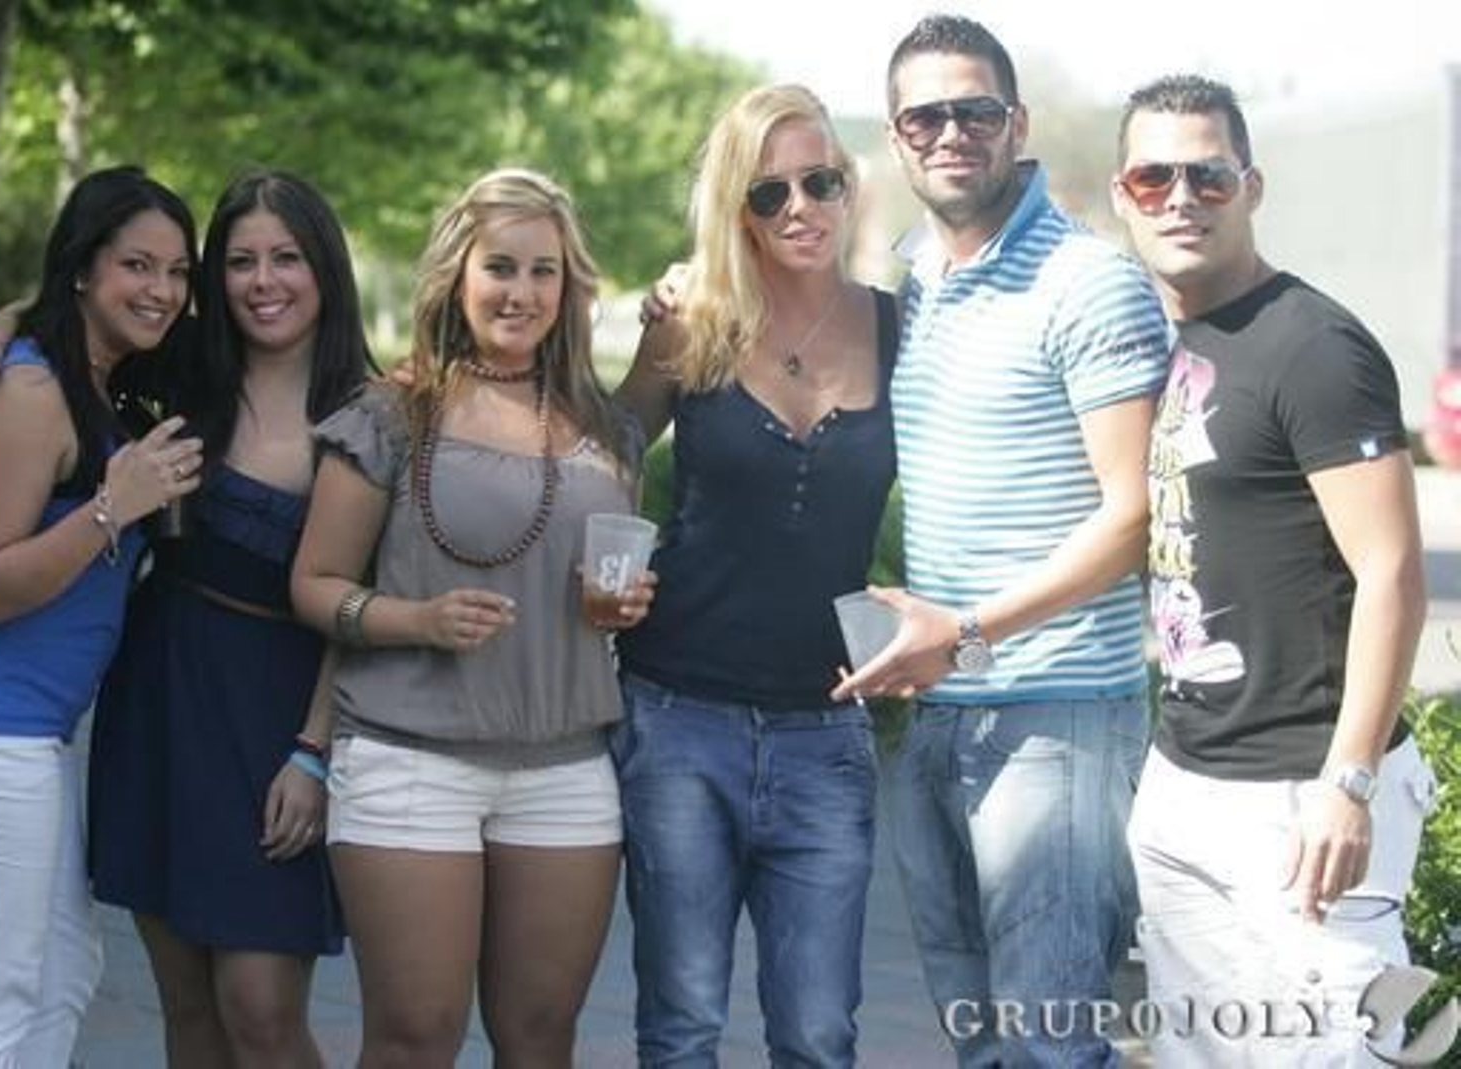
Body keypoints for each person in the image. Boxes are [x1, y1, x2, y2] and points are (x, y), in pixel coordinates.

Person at [831, 14, 1170, 1065]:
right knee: (982, 1042)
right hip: (943, 713)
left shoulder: (1089, 283)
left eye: (974, 109)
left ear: (1014, 121)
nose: (950, 131)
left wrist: (966, 626)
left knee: (1050, 1045)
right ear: (895, 135)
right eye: (923, 114)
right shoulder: (915, 287)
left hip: (1058, 718)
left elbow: (1134, 517)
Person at [290, 167, 650, 1068]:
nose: (521, 292)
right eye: (500, 267)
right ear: (458, 274)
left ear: (569, 288)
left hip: (567, 768)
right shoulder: (391, 412)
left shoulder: (603, 426)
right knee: (416, 1037)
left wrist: (630, 605)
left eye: (544, 272)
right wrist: (417, 619)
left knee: (539, 1039)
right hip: (412, 764)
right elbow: (314, 582)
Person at [1113, 74, 1434, 1065]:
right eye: (1152, 175)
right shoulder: (1181, 336)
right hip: (1183, 784)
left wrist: (1347, 781)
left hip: (1303, 797)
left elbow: (1391, 574)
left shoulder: (1315, 348)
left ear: (1250, 186)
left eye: (1205, 175)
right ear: (1123, 195)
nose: (1179, 196)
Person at [0, 165, 203, 1067]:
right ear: (84, 269)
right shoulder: (33, 393)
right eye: (138, 265)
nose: (162, 291)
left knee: (59, 970)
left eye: (177, 271)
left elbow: (52, 299)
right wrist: (111, 507)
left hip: (19, 730)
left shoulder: (94, 371)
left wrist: (6, 317)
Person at [612, 83, 898, 1066]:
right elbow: (601, 456)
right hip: (676, 719)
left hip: (826, 728)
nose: (798, 209)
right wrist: (598, 576)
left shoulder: (904, 334)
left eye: (817, 181)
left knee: (818, 1036)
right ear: (737, 209)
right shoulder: (692, 322)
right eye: (767, 193)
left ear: (847, 184)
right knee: (682, 1026)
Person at [88, 171, 374, 1067]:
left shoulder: (367, 411)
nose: (264, 281)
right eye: (242, 260)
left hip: (279, 712)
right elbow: (79, 312)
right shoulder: (181, 369)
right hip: (161, 691)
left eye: (286, 257)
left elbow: (355, 602)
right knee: (187, 1003)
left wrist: (314, 751)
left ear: (324, 267)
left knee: (259, 1007)